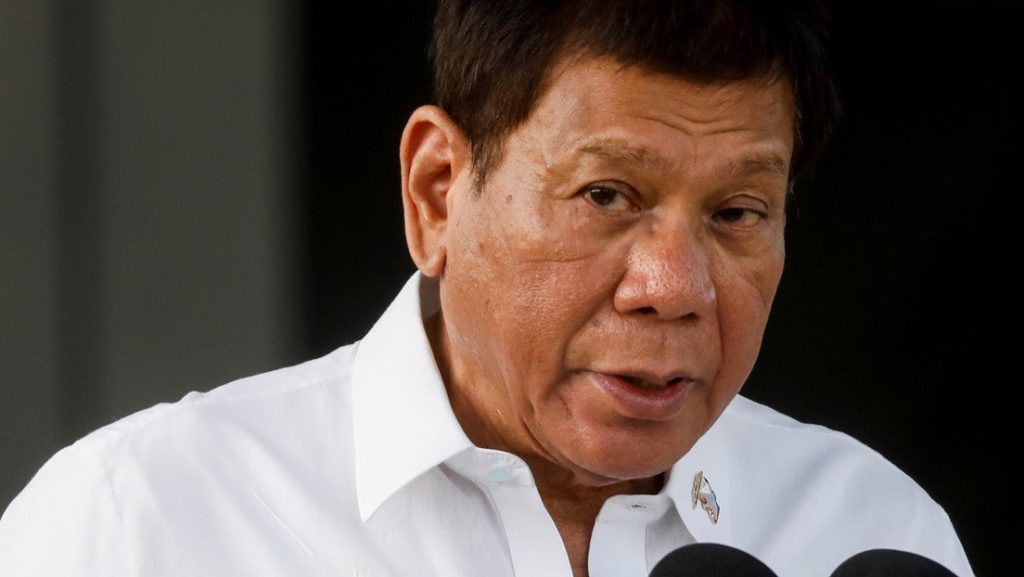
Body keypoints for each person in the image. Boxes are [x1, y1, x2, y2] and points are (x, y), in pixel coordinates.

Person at [0, 1, 974, 576]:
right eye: (605, 195)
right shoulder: (139, 523)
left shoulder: (871, 532)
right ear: (436, 191)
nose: (673, 288)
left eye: (737, 213)